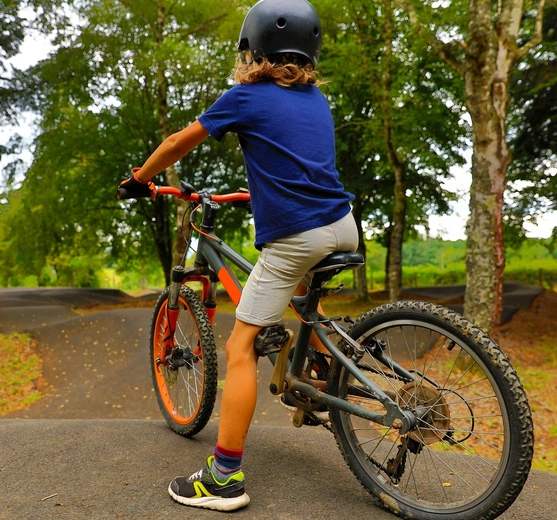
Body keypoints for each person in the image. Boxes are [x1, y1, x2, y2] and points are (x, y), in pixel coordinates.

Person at [117, 0, 357, 512]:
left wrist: (140, 180)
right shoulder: (316, 99)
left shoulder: (246, 97)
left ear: (252, 49)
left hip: (300, 234)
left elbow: (180, 141)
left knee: (238, 347)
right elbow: (298, 163)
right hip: (343, 226)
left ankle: (224, 477)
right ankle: (312, 364)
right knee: (296, 285)